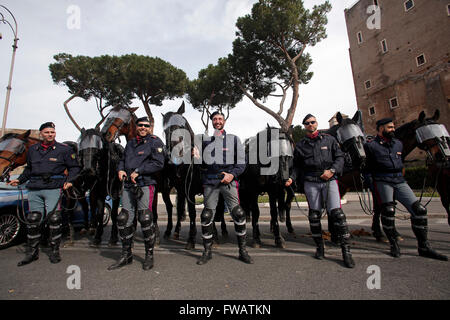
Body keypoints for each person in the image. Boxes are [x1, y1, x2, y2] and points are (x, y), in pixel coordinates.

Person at [364, 118, 447, 260]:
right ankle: (394, 244)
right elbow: (366, 169)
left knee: (419, 210)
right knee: (388, 211)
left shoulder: (398, 144)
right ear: (381, 128)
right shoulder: (371, 146)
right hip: (383, 181)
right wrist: (372, 183)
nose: (393, 129)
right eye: (389, 127)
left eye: (393, 127)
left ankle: (424, 247)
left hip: (399, 181)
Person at [286, 114, 355, 268]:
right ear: (304, 126)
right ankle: (320, 247)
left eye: (313, 122)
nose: (311, 124)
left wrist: (332, 170)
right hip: (311, 182)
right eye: (307, 123)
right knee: (314, 216)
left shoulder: (329, 140)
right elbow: (297, 166)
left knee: (338, 214)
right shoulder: (301, 145)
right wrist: (291, 178)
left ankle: (346, 252)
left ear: (317, 123)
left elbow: (340, 158)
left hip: (329, 180)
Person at [8, 122, 80, 266]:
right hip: (35, 187)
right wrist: (19, 180)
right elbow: (29, 169)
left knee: (54, 219)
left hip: (53, 187)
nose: (50, 134)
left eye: (52, 132)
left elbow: (74, 167)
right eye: (47, 132)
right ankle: (32, 253)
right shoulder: (33, 150)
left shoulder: (63, 150)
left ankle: (54, 251)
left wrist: (70, 181)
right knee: (33, 219)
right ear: (41, 133)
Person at [195, 111, 253, 265]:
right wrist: (197, 158)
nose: (218, 121)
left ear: (224, 121)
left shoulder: (234, 140)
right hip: (210, 182)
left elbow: (241, 162)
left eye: (220, 119)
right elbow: (202, 165)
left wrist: (232, 175)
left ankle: (243, 251)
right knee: (207, 216)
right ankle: (207, 252)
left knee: (239, 214)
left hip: (228, 182)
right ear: (212, 122)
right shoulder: (205, 142)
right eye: (215, 119)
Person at [108, 117, 165, 270]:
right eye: (141, 125)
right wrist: (120, 169)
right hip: (128, 185)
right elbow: (123, 160)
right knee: (123, 218)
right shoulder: (131, 143)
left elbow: (158, 163)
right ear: (137, 126)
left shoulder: (155, 142)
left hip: (145, 184)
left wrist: (139, 171)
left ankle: (149, 255)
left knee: (145, 219)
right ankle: (126, 255)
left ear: (150, 128)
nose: (143, 128)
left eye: (146, 126)